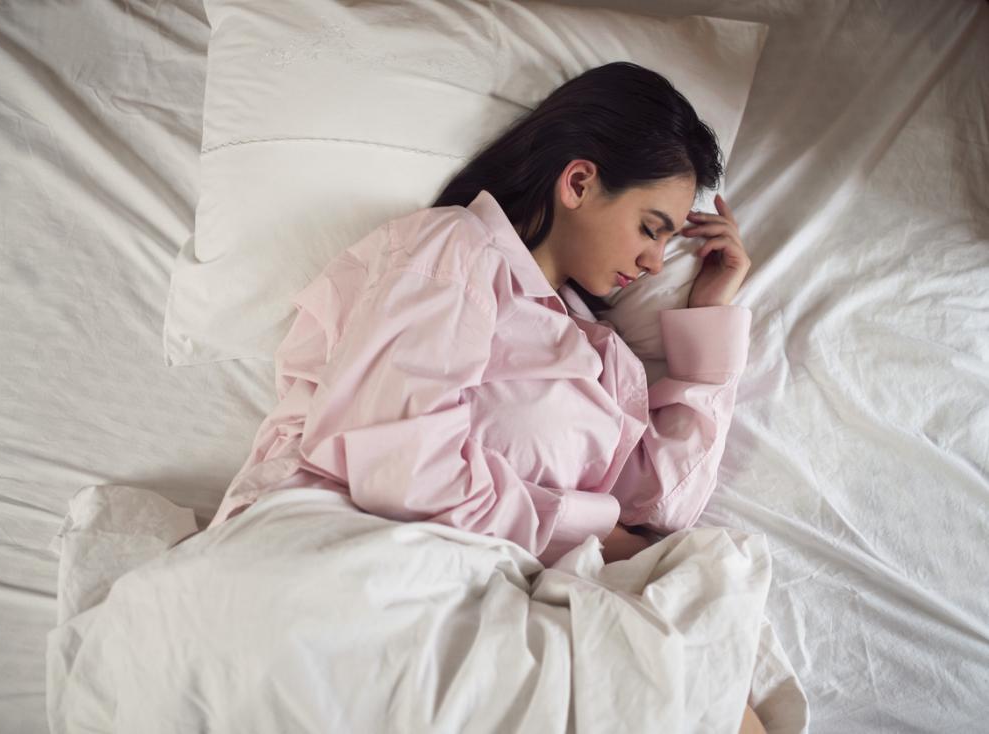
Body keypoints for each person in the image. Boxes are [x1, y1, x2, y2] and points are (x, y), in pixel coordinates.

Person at [178, 60, 762, 733]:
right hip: (358, 562)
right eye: (651, 227)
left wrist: (711, 316)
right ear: (579, 181)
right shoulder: (453, 250)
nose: (658, 261)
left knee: (709, 665)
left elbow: (661, 512)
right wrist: (594, 527)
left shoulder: (601, 353)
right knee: (698, 683)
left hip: (493, 588)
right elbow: (401, 462)